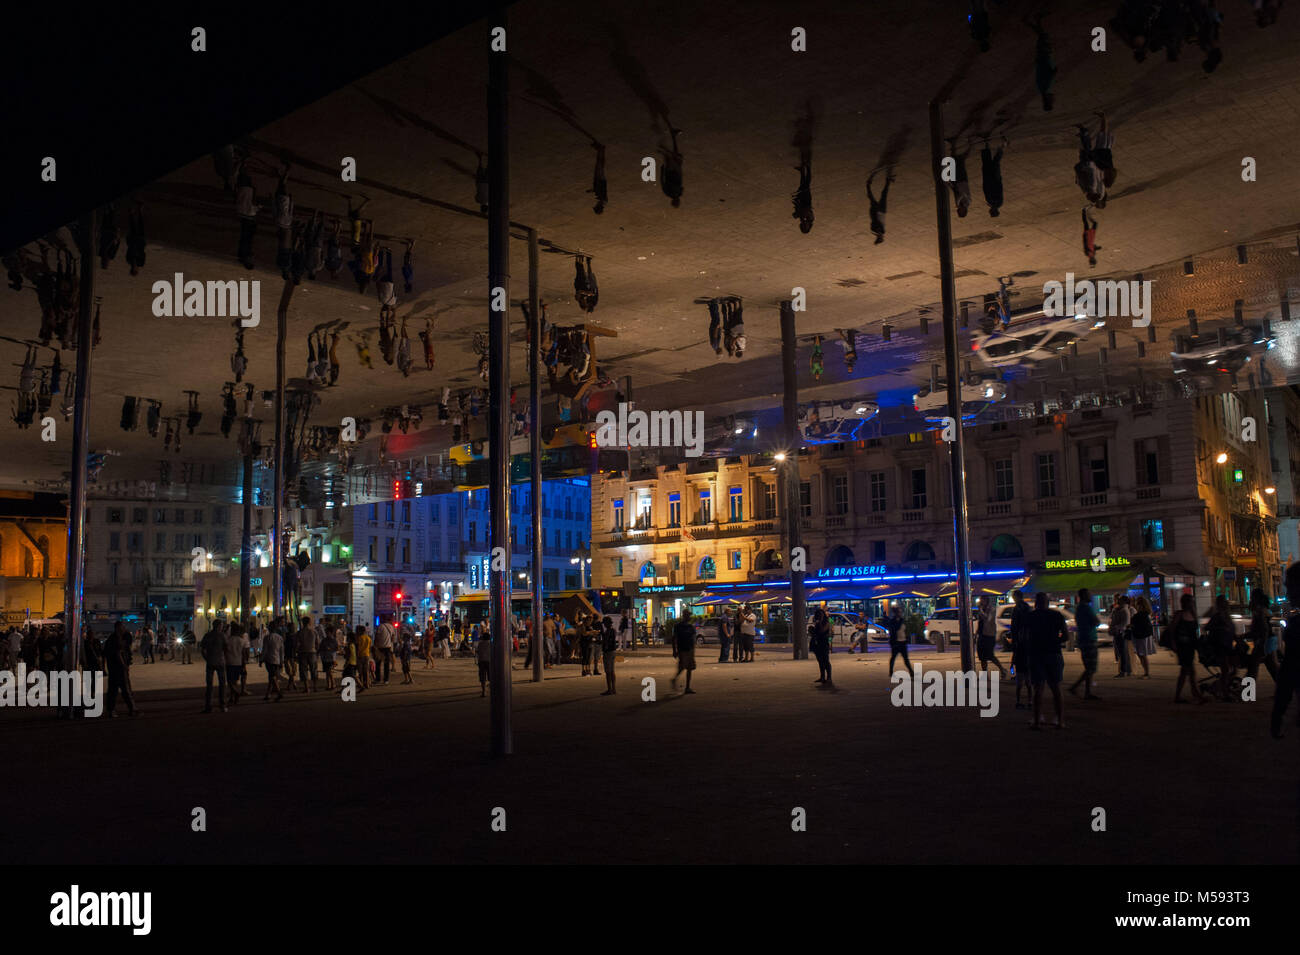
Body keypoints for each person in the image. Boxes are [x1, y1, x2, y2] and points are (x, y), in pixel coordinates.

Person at [1028, 592, 1068, 729]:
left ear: (1036, 603)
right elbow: (1066, 636)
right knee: (1056, 688)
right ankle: (1060, 721)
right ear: (1048, 602)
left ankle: (1037, 721)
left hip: (1036, 654)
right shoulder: (1056, 615)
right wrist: (1055, 641)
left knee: (1038, 688)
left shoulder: (1031, 617)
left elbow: (1025, 636)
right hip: (1054, 653)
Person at [1271, 563, 1300, 738]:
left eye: (1290, 587)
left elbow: (1289, 672)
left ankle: (1247, 696)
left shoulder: (1296, 627)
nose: (1288, 593)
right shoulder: (1295, 624)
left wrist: (1277, 714)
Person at [1172, 593, 1207, 704]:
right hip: (1183, 646)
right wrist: (1174, 644)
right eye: (1189, 601)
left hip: (1190, 646)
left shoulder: (1192, 614)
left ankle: (1191, 693)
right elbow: (1172, 630)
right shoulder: (1180, 615)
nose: (1190, 603)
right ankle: (1192, 694)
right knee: (1187, 670)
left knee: (1188, 671)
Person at [1069, 589, 1102, 700]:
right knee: (1091, 667)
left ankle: (1087, 692)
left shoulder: (1079, 608)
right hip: (1089, 638)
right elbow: (1096, 621)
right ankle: (1076, 687)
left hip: (1083, 638)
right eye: (1089, 594)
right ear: (1084, 596)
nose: (1091, 596)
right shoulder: (1086, 608)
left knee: (1089, 667)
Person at [103, 622, 137, 717]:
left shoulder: (116, 638)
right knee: (125, 689)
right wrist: (124, 666)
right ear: (118, 628)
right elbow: (118, 654)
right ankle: (132, 709)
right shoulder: (115, 639)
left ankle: (111, 710)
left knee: (113, 690)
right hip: (118, 669)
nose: (124, 628)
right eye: (123, 627)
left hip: (114, 668)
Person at [1205, 595, 1235, 701]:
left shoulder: (1226, 616)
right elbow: (1207, 627)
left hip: (1227, 646)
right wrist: (1221, 629)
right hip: (1220, 646)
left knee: (1231, 669)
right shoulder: (1218, 616)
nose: (1225, 604)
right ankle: (1224, 693)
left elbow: (1232, 630)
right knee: (1226, 669)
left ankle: (1215, 687)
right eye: (1224, 602)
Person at [1008, 590, 1033, 708]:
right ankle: (1030, 701)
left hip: (1020, 652)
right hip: (1027, 653)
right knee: (1028, 681)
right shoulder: (1027, 607)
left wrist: (1014, 639)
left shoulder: (1017, 608)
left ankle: (1018, 701)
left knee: (1020, 681)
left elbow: (1014, 626)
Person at [976, 596, 1009, 678]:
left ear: (987, 601)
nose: (981, 602)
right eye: (980, 601)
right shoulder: (981, 610)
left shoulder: (992, 609)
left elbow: (988, 619)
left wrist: (980, 610)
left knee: (990, 655)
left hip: (989, 635)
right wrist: (976, 634)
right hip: (981, 635)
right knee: (982, 656)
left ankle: (1002, 669)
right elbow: (980, 623)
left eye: (982, 600)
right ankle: (985, 674)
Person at [200, 622, 228, 713]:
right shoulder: (222, 636)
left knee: (209, 685)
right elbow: (226, 648)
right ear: (219, 626)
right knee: (222, 684)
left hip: (210, 661)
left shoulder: (207, 635)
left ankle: (208, 706)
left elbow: (203, 650)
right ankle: (222, 705)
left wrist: (207, 658)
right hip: (220, 662)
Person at [1130, 595, 1157, 678]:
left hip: (1141, 635)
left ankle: (1146, 673)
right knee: (1141, 654)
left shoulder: (1142, 615)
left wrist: (1131, 625)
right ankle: (1146, 672)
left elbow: (1138, 624)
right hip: (1143, 635)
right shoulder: (1145, 614)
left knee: (1142, 654)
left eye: (1137, 603)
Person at [884, 603, 912, 676]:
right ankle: (891, 671)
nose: (900, 613)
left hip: (903, 642)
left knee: (906, 659)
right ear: (896, 613)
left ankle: (911, 672)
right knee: (893, 657)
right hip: (896, 642)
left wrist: (907, 639)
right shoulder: (893, 621)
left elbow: (904, 630)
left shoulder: (902, 620)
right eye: (899, 612)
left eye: (901, 612)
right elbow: (895, 629)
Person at [671, 614, 697, 694]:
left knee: (689, 668)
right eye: (688, 616)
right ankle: (675, 679)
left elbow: (693, 638)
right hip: (682, 649)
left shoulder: (690, 626)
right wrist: (674, 650)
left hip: (689, 649)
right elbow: (674, 638)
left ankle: (687, 687)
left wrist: (693, 649)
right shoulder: (678, 626)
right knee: (682, 666)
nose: (689, 617)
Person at [867, 169, 895, 242]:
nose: (882, 236)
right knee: (883, 195)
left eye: (881, 237)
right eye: (882, 237)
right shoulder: (883, 231)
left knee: (872, 197)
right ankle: (888, 180)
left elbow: (874, 221)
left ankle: (868, 185)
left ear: (878, 237)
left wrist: (877, 230)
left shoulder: (873, 230)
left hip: (877, 211)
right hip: (882, 211)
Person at [980, 137, 1005, 217]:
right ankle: (1002, 146)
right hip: (993, 178)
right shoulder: (997, 202)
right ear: (994, 211)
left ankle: (987, 143)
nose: (989, 210)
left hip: (990, 178)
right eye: (991, 212)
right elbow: (999, 188)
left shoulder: (991, 203)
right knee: (994, 162)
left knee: (989, 161)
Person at [1110, 594, 1133, 677]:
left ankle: (1124, 671)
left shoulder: (1124, 610)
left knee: (1122, 653)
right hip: (1119, 632)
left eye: (1119, 599)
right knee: (1122, 653)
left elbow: (1125, 623)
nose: (1118, 601)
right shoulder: (1118, 609)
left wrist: (1115, 628)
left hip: (1121, 633)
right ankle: (1126, 670)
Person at [296, 616, 319, 693]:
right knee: (314, 669)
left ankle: (307, 687)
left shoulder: (300, 632)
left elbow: (297, 644)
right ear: (309, 622)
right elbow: (317, 643)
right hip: (312, 652)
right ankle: (315, 686)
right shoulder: (314, 631)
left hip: (302, 652)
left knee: (304, 670)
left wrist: (296, 652)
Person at [810, 608, 833, 686]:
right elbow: (815, 633)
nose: (820, 616)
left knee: (826, 660)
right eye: (818, 615)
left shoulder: (826, 622)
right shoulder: (816, 622)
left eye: (821, 614)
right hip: (817, 643)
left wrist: (819, 623)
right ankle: (822, 677)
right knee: (820, 661)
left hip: (824, 643)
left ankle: (829, 677)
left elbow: (823, 631)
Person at [224, 622, 245, 706]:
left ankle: (235, 693)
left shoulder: (228, 640)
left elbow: (225, 651)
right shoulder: (241, 640)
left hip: (230, 662)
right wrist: (243, 663)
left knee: (229, 681)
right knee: (235, 681)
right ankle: (232, 697)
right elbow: (243, 653)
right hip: (238, 662)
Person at [261, 623, 284, 701]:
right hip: (277, 659)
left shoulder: (267, 638)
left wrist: (261, 659)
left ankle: (278, 692)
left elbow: (265, 650)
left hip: (269, 659)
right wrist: (281, 661)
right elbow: (281, 651)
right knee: (272, 677)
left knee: (272, 677)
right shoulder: (280, 638)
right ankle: (268, 694)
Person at [374, 615, 396, 685]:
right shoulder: (391, 627)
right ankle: (386, 680)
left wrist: (375, 646)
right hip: (388, 647)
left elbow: (376, 637)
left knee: (378, 664)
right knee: (386, 664)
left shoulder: (380, 626)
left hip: (380, 647)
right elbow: (393, 638)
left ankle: (378, 679)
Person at [600, 616, 618, 695]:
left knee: (608, 672)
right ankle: (613, 688)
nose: (604, 625)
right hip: (613, 651)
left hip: (608, 652)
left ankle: (609, 689)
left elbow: (605, 641)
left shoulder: (608, 631)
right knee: (612, 671)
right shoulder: (613, 630)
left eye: (604, 623)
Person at [319, 622, 338, 691]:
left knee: (329, 672)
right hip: (325, 658)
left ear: (331, 632)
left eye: (328, 632)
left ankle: (333, 684)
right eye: (326, 632)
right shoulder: (324, 640)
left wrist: (330, 648)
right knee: (327, 673)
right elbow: (320, 648)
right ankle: (329, 685)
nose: (327, 633)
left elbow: (336, 648)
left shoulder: (333, 640)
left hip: (331, 658)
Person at [355, 625, 372, 690]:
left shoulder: (359, 638)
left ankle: (361, 683)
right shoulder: (368, 638)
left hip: (360, 655)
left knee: (360, 671)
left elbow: (357, 647)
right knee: (366, 670)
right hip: (367, 655)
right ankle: (367, 684)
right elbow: (369, 647)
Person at [476, 631, 492, 697]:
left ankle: (483, 691)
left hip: (481, 661)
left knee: (482, 678)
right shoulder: (491, 644)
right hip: (489, 661)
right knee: (491, 677)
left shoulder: (480, 644)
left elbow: (478, 652)